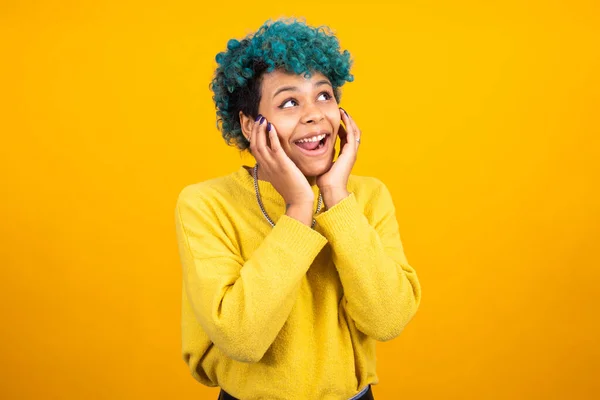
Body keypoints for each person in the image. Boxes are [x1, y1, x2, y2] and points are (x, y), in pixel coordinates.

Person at [174, 18, 422, 400]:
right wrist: (299, 206)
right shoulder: (207, 204)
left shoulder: (368, 197)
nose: (314, 114)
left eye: (323, 95)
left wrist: (336, 198)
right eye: (290, 102)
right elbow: (241, 337)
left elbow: (387, 320)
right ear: (248, 123)